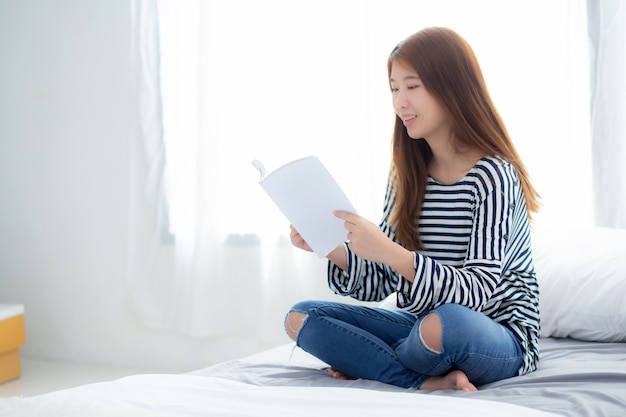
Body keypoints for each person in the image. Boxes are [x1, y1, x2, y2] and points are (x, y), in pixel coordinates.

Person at [284, 26, 541, 392]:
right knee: (301, 318)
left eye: (412, 86)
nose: (400, 102)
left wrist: (392, 253)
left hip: (495, 335)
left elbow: (477, 291)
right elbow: (383, 281)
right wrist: (334, 249)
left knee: (445, 323)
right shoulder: (407, 176)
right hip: (420, 330)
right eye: (393, 89)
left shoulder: (494, 176)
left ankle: (374, 361)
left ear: (452, 87)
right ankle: (425, 382)